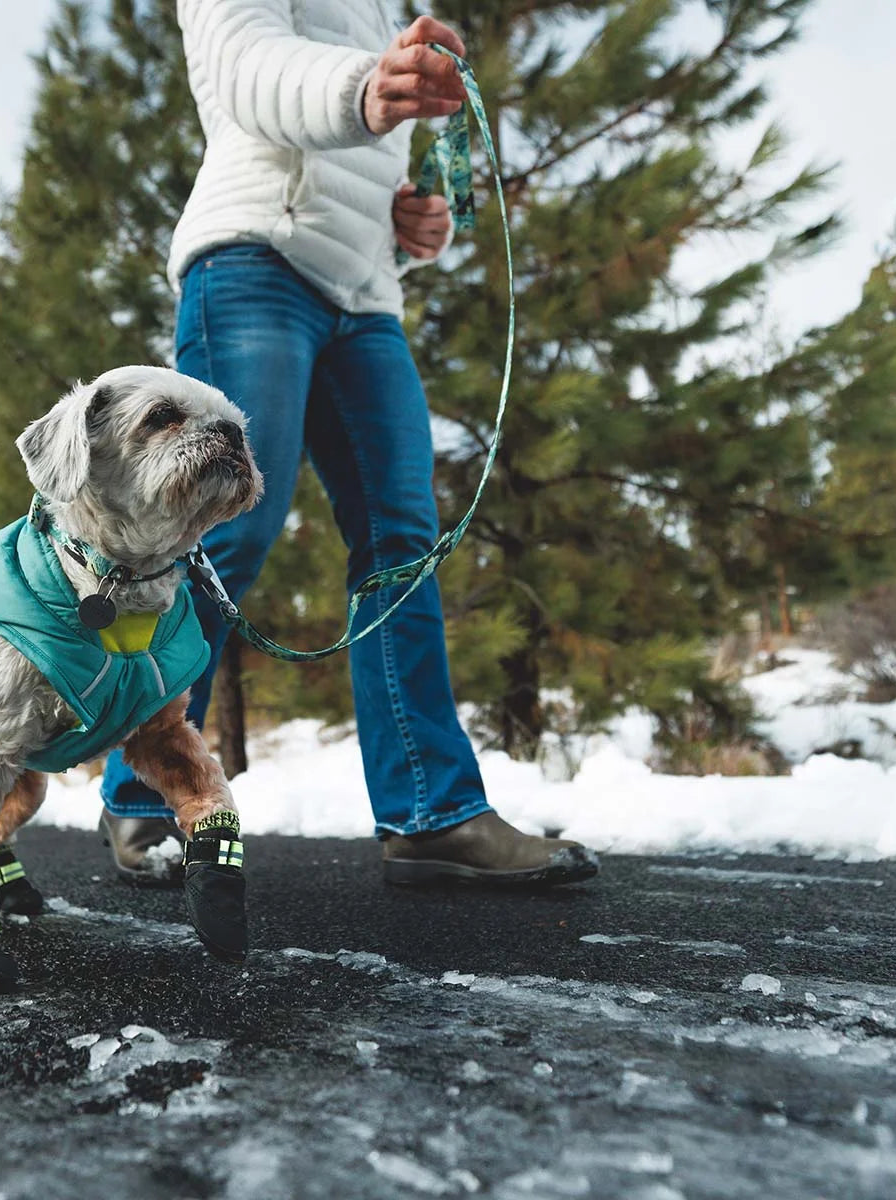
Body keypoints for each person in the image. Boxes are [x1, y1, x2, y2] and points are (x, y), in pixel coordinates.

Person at [98, 0, 599, 890]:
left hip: (366, 300)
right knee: (226, 530)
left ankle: (430, 813)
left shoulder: (391, 9)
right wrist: (366, 87)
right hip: (252, 262)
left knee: (404, 539)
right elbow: (247, 65)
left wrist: (417, 233)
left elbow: (373, 174)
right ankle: (145, 789)